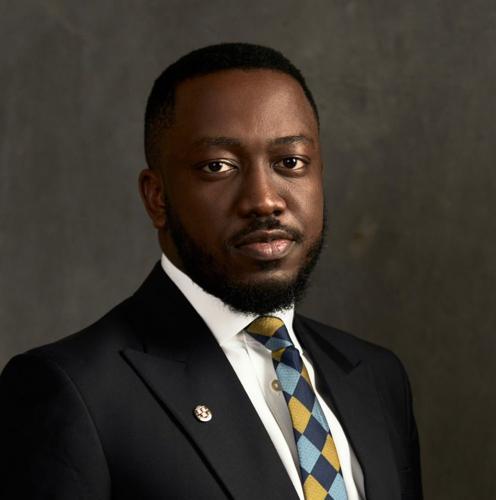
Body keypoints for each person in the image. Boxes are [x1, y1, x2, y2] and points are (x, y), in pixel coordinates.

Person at [0, 43, 422, 500]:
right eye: (218, 167)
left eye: (290, 162)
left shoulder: (375, 377)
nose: (264, 200)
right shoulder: (71, 391)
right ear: (157, 197)